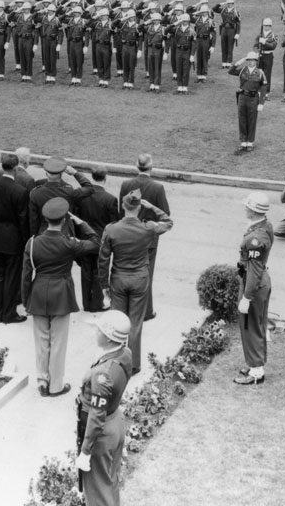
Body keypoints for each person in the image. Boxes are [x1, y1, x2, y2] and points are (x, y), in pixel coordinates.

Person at [21, 198, 100, 396]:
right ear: (64, 220)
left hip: (38, 293)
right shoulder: (70, 243)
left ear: (45, 219)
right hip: (61, 294)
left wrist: (26, 301)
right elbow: (96, 242)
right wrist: (82, 223)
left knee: (41, 340)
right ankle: (56, 385)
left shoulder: (32, 243)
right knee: (58, 342)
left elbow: (25, 277)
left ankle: (42, 380)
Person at [98, 190, 174, 376]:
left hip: (119, 278)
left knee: (117, 321)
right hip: (139, 278)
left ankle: (115, 361)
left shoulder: (111, 229)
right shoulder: (147, 227)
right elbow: (169, 222)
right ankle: (132, 364)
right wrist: (152, 207)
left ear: (123, 206)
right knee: (135, 323)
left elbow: (103, 260)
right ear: (139, 207)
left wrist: (104, 285)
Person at [75, 310, 133, 506]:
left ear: (108, 337)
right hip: (115, 421)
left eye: (99, 330)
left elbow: (96, 416)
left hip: (101, 434)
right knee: (109, 484)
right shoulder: (125, 353)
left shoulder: (102, 374)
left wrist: (85, 451)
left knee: (97, 493)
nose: (95, 332)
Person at [118, 154, 171, 321]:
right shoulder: (157, 187)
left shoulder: (126, 184)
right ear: (151, 167)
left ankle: (126, 308)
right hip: (148, 236)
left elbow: (121, 210)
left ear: (136, 166)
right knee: (146, 274)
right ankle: (146, 311)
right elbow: (165, 214)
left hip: (127, 234)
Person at [0, 154, 30, 323]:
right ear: (16, 169)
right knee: (11, 277)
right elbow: (23, 220)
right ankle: (8, 313)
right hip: (13, 240)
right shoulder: (20, 191)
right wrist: (25, 241)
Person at [234, 192, 274, 385]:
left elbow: (254, 269)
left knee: (250, 326)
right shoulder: (264, 226)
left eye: (247, 206)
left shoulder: (255, 238)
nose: (245, 208)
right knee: (255, 324)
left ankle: (257, 371)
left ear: (254, 209)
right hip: (256, 280)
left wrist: (247, 297)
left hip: (253, 283)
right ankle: (254, 364)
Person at [74, 165, 118, 313]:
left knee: (86, 271)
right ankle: (97, 303)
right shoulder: (110, 199)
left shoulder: (82, 197)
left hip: (85, 238)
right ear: (105, 178)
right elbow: (114, 224)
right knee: (100, 271)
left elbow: (76, 218)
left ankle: (86, 303)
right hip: (102, 240)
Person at [28, 157, 95, 236]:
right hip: (65, 234)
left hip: (43, 234)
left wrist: (35, 238)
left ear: (46, 173)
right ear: (62, 174)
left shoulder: (35, 193)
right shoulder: (69, 192)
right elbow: (89, 188)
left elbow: (33, 221)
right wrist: (75, 173)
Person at [229, 52, 266, 152]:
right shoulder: (243, 70)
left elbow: (263, 87)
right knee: (242, 119)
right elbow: (231, 71)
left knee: (251, 120)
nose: (250, 62)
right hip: (242, 97)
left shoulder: (260, 72)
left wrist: (261, 103)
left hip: (253, 98)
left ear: (256, 61)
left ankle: (250, 142)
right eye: (248, 60)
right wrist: (239, 61)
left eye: (252, 60)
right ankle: (243, 142)